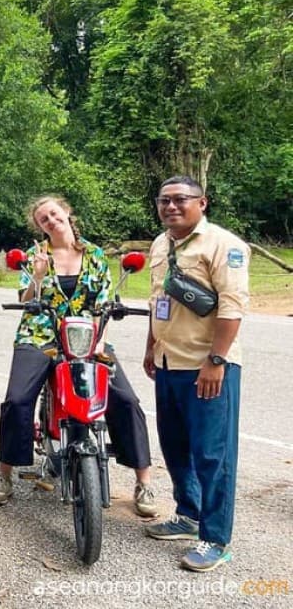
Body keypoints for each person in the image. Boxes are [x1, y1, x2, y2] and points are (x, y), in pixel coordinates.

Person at [0, 195, 157, 517]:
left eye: (53, 214)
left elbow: (105, 304)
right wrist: (36, 276)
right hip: (41, 334)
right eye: (43, 220)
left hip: (87, 338)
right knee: (17, 400)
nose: (50, 221)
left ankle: (143, 481)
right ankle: (5, 474)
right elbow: (24, 298)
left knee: (126, 400)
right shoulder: (38, 255)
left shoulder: (94, 255)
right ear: (39, 227)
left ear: (66, 212)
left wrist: (101, 343)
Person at [142, 176, 249, 573]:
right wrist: (150, 346)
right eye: (163, 200)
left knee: (212, 455)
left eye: (180, 200)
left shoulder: (224, 244)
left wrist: (216, 362)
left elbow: (232, 308)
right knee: (175, 446)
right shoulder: (159, 244)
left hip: (208, 367)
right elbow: (157, 302)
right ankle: (188, 514)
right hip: (170, 363)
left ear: (202, 203)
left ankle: (216, 538)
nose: (170, 206)